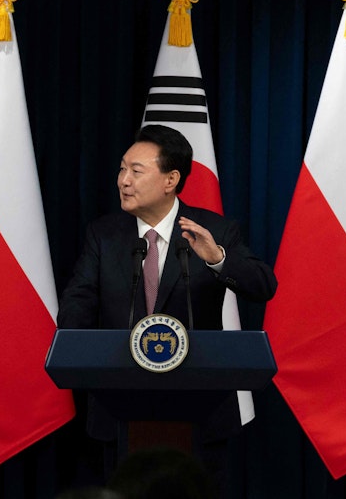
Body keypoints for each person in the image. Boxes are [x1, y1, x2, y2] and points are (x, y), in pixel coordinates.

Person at [56, 125, 277, 490]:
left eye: (136, 171)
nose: (123, 180)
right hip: (119, 407)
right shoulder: (104, 234)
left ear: (171, 179)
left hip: (201, 412)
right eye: (122, 169)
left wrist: (218, 259)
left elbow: (263, 286)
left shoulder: (215, 231)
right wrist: (77, 347)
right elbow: (77, 305)